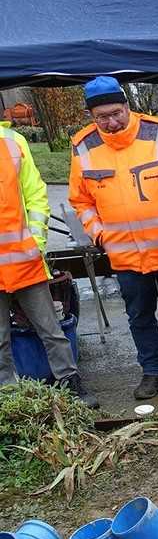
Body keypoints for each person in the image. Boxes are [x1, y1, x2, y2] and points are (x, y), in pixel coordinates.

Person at [68, 76, 158, 401]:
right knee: (139, 318)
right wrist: (99, 233)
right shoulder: (83, 146)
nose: (111, 122)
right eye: (102, 117)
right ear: (92, 117)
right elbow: (81, 200)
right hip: (126, 256)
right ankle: (152, 373)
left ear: (127, 106)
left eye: (116, 113)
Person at [1, 121, 97, 406]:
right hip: (23, 260)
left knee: (51, 330)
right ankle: (9, 403)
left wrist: (34, 243)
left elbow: (36, 195)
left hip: (24, 263)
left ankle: (71, 386)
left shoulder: (12, 142)